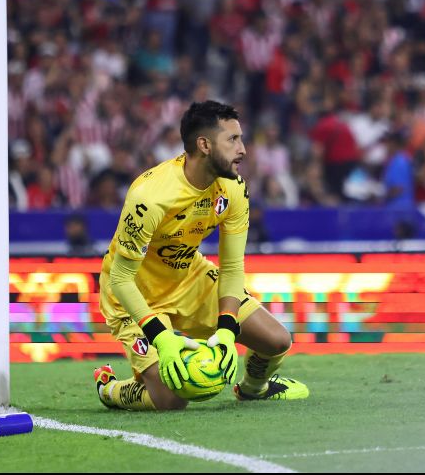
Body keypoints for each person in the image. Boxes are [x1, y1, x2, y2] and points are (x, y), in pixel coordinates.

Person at [94, 101, 309, 411]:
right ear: (204, 145)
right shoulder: (150, 198)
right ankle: (110, 389)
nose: (244, 149)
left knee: (277, 340)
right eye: (233, 140)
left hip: (189, 278)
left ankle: (252, 389)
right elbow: (121, 278)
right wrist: (162, 337)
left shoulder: (232, 188)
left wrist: (226, 328)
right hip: (133, 292)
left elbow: (233, 267)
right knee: (171, 401)